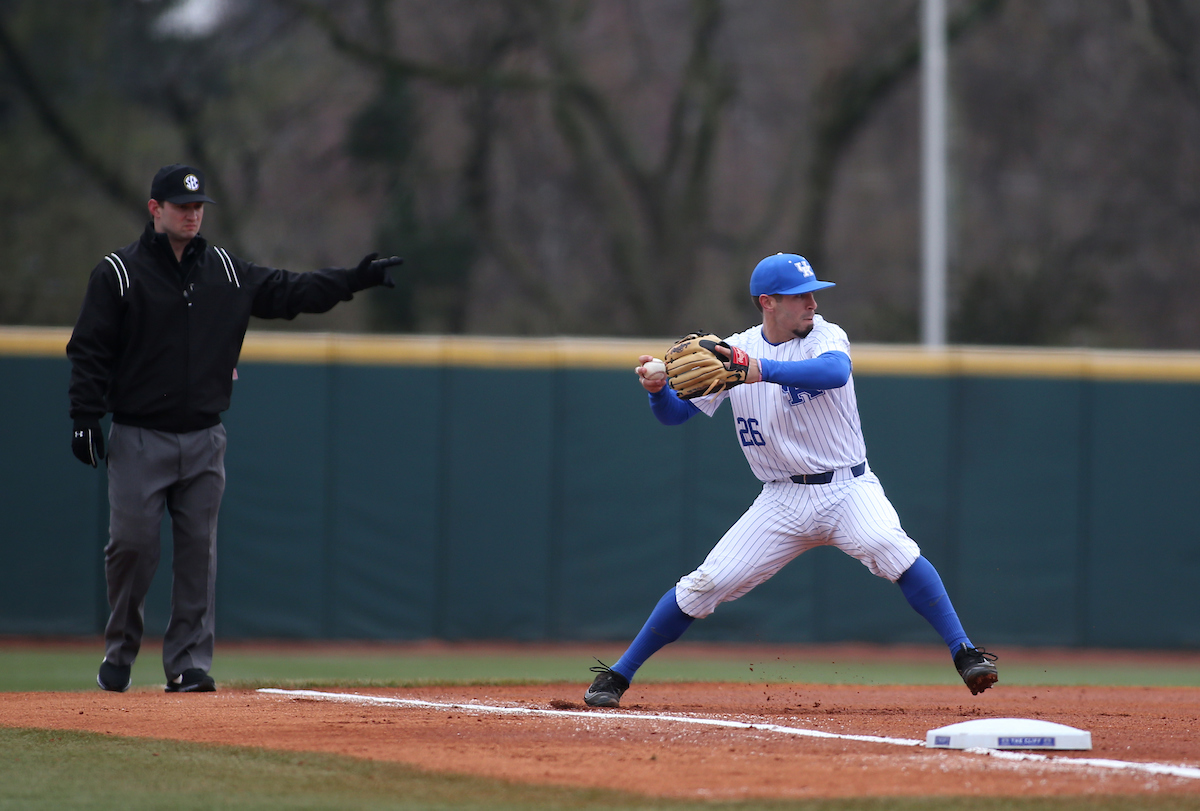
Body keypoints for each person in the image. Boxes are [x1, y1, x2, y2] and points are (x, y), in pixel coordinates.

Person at [584, 252, 998, 708]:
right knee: (706, 584)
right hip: (780, 499)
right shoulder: (731, 350)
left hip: (848, 488)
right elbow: (676, 416)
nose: (812, 304)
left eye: (812, 294)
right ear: (768, 302)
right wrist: (659, 394)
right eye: (800, 296)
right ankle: (617, 676)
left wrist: (758, 370)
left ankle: (965, 653)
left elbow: (834, 372)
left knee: (890, 546)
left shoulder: (825, 337)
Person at [67, 164, 402, 694]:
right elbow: (88, 349)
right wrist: (85, 417)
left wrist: (352, 279)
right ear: (155, 209)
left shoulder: (224, 269)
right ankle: (121, 647)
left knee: (199, 552)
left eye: (198, 206)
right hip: (139, 434)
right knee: (131, 546)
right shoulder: (119, 273)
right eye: (181, 206)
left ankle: (187, 664)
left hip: (204, 437)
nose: (192, 214)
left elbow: (292, 292)